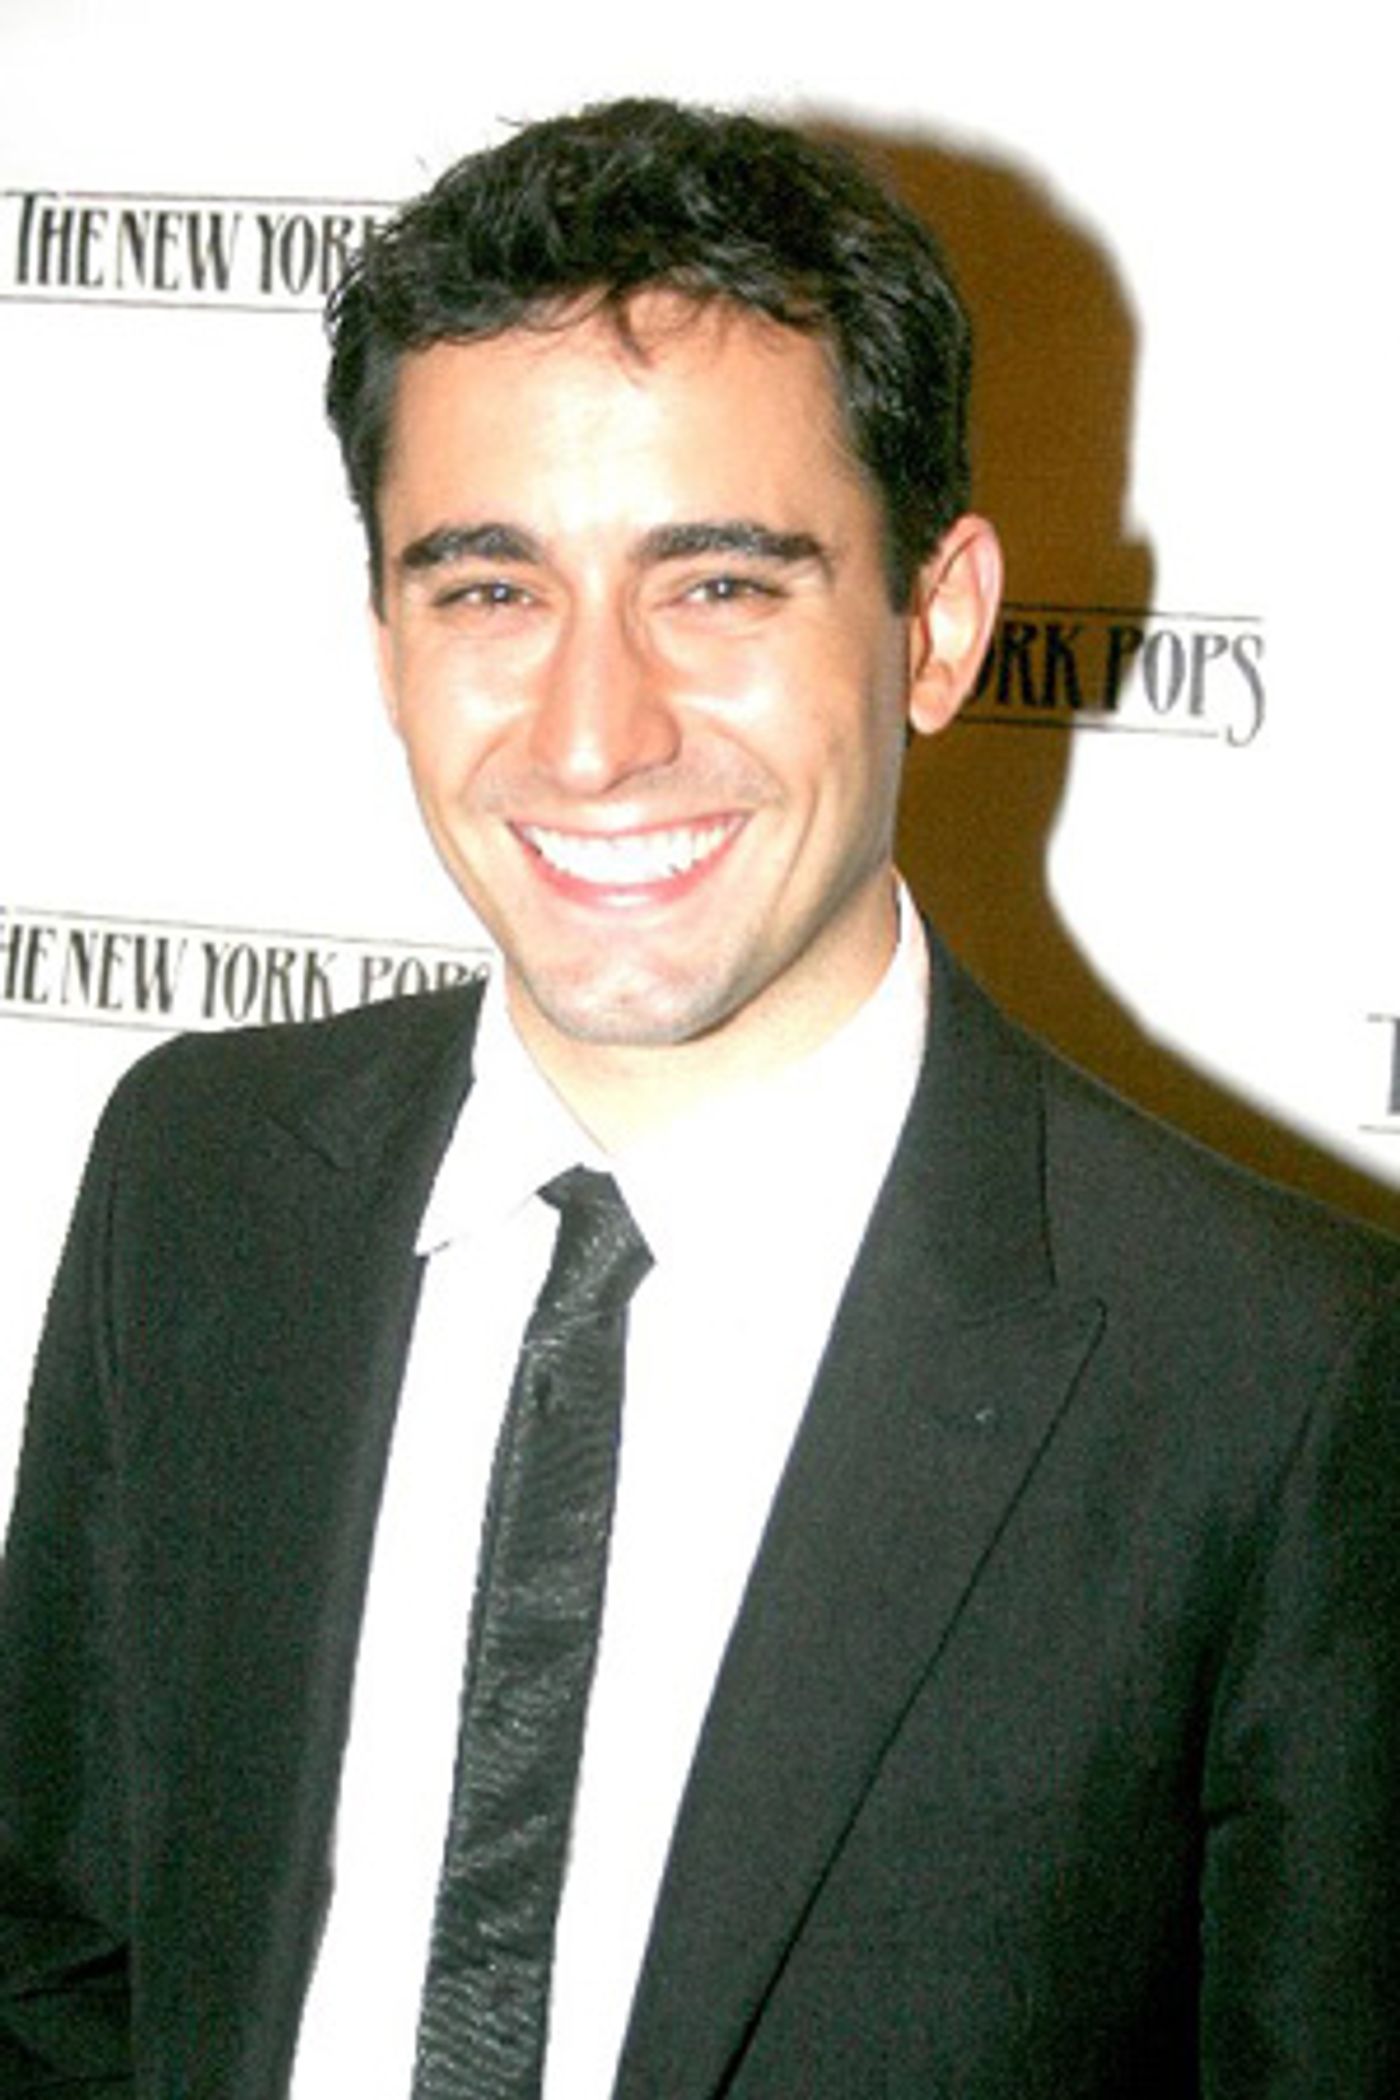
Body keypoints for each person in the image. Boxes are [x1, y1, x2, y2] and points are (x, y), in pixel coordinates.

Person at [2, 96, 1397, 2100]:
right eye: (490, 589)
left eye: (720, 586)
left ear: (935, 626)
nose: (594, 734)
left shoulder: (1282, 1385)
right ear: (386, 635)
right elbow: (58, 1972)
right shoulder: (199, 1178)